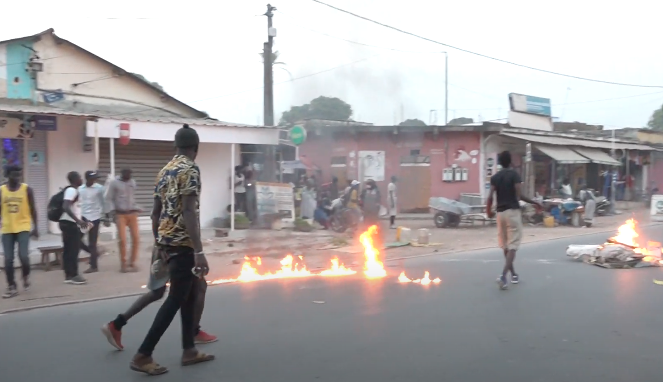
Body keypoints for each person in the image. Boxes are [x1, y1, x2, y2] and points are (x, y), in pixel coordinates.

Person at [128, 124, 214, 375]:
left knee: (188, 293)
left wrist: (159, 243)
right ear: (195, 148)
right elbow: (188, 210)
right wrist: (199, 250)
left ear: (176, 146)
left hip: (166, 242)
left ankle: (189, 350)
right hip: (183, 244)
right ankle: (143, 354)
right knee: (176, 298)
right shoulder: (191, 170)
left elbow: (155, 213)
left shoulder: (164, 171)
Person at [486, 151, 541, 290]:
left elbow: (490, 196)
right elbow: (519, 196)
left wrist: (488, 211)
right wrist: (534, 202)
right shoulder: (514, 175)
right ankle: (504, 276)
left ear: (499, 163)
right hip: (513, 213)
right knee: (513, 246)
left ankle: (514, 274)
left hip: (500, 213)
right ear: (510, 162)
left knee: (505, 246)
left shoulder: (495, 177)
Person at [1, 165, 38, 298]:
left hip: (23, 227)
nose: (17, 178)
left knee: (24, 257)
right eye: (14, 175)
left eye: (19, 175)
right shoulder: (2, 190)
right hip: (7, 229)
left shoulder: (27, 189)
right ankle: (11, 286)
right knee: (8, 259)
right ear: (7, 175)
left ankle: (25, 276)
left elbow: (33, 209)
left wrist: (36, 227)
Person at [106, 168, 141, 273]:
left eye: (131, 174)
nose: (129, 176)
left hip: (132, 213)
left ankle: (132, 262)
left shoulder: (132, 182)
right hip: (120, 214)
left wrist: (136, 207)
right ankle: (123, 264)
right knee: (122, 240)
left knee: (136, 238)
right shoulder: (114, 183)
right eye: (128, 174)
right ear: (122, 174)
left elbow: (132, 197)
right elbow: (109, 198)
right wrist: (111, 212)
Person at [60, 171, 89, 285]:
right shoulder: (71, 190)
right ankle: (74, 275)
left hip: (67, 222)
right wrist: (78, 221)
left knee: (68, 250)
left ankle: (68, 275)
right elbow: (66, 206)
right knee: (73, 250)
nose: (81, 179)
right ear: (75, 179)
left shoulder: (72, 190)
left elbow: (73, 208)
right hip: (70, 223)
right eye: (80, 177)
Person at [78, 171, 106, 273]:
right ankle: (94, 254)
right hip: (84, 218)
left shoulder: (99, 188)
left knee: (92, 243)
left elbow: (104, 202)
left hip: (94, 218)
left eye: (95, 178)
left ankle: (94, 266)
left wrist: (106, 215)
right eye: (92, 178)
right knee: (77, 240)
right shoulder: (80, 189)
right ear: (87, 179)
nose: (94, 180)